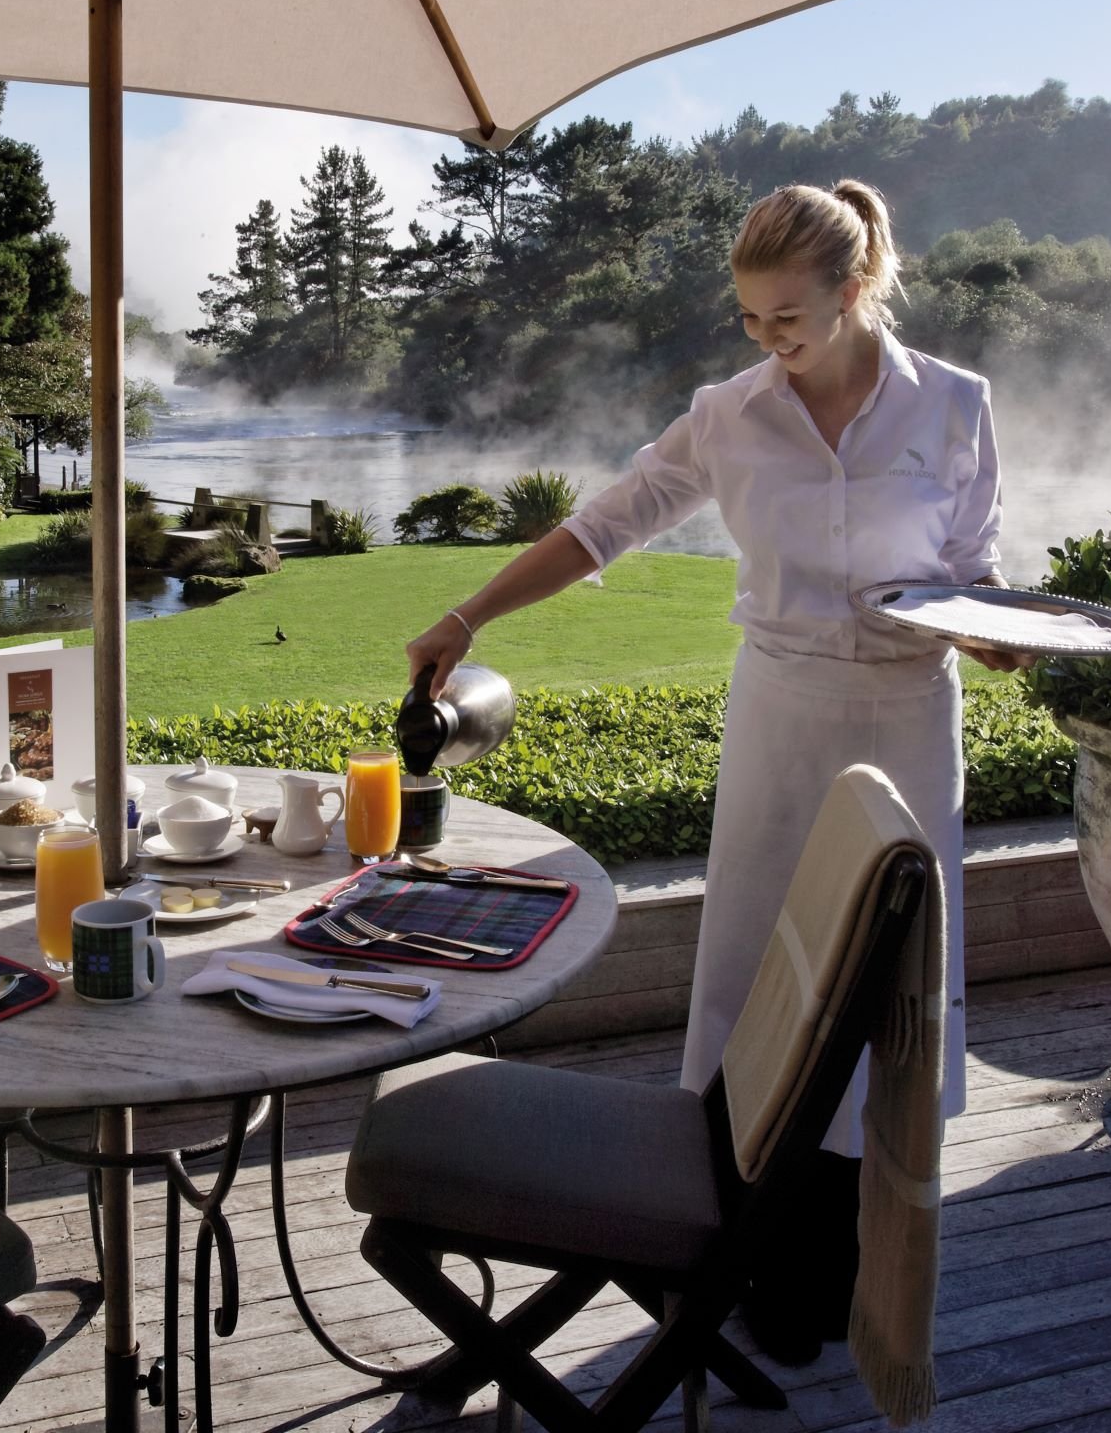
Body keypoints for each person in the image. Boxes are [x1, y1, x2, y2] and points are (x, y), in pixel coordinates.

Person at [404, 179, 1020, 1362]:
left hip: (902, 719)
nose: (766, 341)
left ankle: (834, 1272)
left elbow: (969, 573)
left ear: (853, 290)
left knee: (880, 983)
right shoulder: (730, 413)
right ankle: (734, 1245)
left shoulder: (953, 405)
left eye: (785, 317)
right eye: (749, 318)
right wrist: (466, 615)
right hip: (780, 717)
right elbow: (605, 524)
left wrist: (997, 634)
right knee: (752, 973)